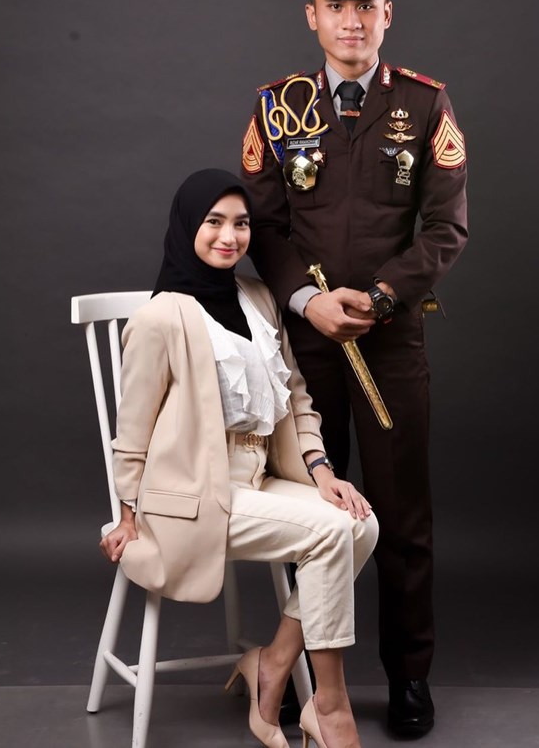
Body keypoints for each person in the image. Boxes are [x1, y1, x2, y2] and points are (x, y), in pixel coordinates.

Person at [240, 0, 468, 738]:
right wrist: (308, 301)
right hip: (306, 346)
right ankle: (302, 672)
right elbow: (264, 226)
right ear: (311, 15)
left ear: (386, 12)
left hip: (388, 339)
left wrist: (374, 296)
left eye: (365, 4)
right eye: (334, 5)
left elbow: (443, 230)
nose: (350, 20)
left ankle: (409, 675)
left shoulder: (424, 104)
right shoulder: (276, 108)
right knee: (313, 513)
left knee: (400, 517)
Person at [100, 168, 378, 748]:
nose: (229, 236)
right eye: (214, 222)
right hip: (191, 491)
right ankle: (330, 706)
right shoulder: (160, 317)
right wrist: (126, 512)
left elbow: (295, 394)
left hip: (259, 475)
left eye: (241, 223)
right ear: (187, 226)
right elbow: (132, 430)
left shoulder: (257, 298)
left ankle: (271, 662)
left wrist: (322, 471)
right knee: (332, 535)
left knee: (361, 523)